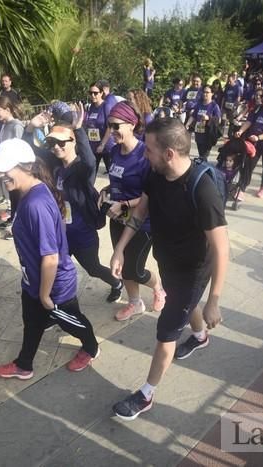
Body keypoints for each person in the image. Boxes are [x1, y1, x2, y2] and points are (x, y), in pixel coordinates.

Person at [111, 117, 229, 420]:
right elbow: (140, 210)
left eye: (148, 149)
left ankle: (147, 393)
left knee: (166, 331)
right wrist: (120, 249)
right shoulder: (155, 174)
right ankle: (200, 335)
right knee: (183, 303)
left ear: (169, 154)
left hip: (194, 270)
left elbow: (222, 248)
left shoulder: (202, 190)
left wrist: (214, 300)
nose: (143, 154)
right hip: (168, 261)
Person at [0, 139, 100, 379]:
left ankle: (91, 347)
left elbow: (50, 257)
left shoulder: (36, 203)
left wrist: (45, 295)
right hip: (35, 281)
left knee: (71, 321)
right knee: (32, 320)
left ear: (26, 167)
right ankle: (24, 364)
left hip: (53, 284)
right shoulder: (25, 193)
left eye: (4, 168)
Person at [45, 108, 124, 302]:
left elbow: (90, 162)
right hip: (60, 233)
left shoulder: (81, 169)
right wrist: (31, 128)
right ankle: (58, 307)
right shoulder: (54, 166)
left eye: (61, 142)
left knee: (93, 268)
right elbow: (33, 151)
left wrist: (79, 130)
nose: (56, 147)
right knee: (55, 270)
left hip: (82, 234)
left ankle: (117, 283)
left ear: (73, 142)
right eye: (53, 143)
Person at [100, 101, 165, 321]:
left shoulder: (144, 155)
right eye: (109, 126)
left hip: (143, 222)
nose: (112, 131)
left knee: (133, 270)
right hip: (117, 217)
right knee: (121, 264)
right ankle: (135, 302)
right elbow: (117, 180)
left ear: (131, 124)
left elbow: (153, 194)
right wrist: (106, 190)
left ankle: (158, 287)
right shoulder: (113, 151)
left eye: (116, 126)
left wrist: (126, 203)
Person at [0, 95, 25, 206]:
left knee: (16, 195)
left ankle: (14, 214)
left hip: (15, 167)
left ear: (7, 110)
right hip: (6, 166)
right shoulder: (4, 125)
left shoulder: (16, 126)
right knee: (11, 194)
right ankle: (11, 211)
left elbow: (20, 148)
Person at [185, 86, 222, 161]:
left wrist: (208, 118)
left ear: (212, 94)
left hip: (208, 134)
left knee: (204, 156)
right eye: (204, 92)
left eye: (207, 92)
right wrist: (187, 124)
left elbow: (219, 120)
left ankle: (205, 170)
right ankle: (204, 168)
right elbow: (193, 116)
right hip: (198, 132)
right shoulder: (199, 105)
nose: (205, 94)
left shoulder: (214, 106)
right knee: (201, 154)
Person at [85, 82, 115, 174]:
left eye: (95, 93)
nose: (93, 95)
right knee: (90, 174)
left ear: (102, 93)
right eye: (90, 93)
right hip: (93, 146)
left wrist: (102, 144)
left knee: (112, 175)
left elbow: (110, 127)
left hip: (106, 147)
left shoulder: (106, 106)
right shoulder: (91, 107)